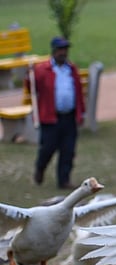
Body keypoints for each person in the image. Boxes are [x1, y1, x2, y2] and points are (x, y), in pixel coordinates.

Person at [28, 36, 85, 189]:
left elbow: (78, 92)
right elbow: (32, 88)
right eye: (60, 49)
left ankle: (64, 179)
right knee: (48, 147)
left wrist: (81, 112)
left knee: (68, 150)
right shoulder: (42, 70)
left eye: (65, 49)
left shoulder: (71, 69)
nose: (63, 53)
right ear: (53, 51)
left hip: (69, 115)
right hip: (51, 117)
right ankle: (40, 168)